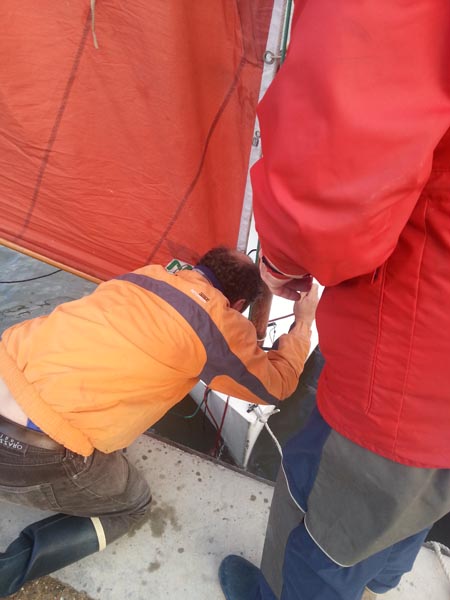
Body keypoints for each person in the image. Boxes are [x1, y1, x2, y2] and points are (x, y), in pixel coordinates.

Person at [219, 2, 450, 600]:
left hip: (408, 368)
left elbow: (332, 178)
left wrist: (281, 262)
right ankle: (379, 584)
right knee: (415, 502)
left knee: (319, 528)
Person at [0, 245, 318, 596]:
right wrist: (303, 322)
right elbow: (277, 385)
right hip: (29, 449)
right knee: (132, 505)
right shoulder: (217, 324)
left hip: (6, 363)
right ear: (239, 304)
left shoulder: (145, 275)